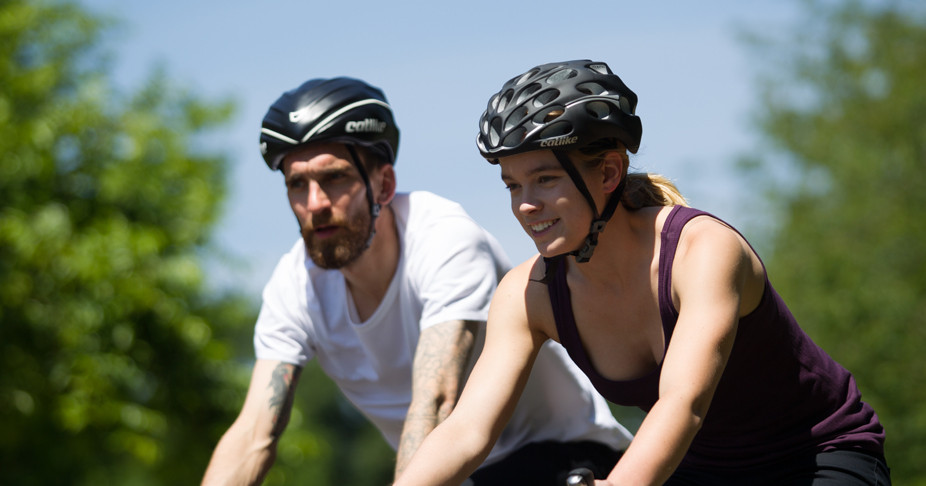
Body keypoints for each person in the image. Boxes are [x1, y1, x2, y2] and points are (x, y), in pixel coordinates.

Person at [394, 60, 890, 485]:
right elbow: (466, 432)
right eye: (511, 185)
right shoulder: (530, 294)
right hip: (700, 470)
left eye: (544, 179)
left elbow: (682, 404)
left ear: (608, 173)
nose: (525, 205)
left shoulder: (703, 252)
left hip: (817, 457)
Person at [200, 76, 633, 485]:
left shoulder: (443, 240)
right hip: (454, 474)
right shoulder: (294, 283)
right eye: (297, 185)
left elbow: (435, 404)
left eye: (334, 179)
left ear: (384, 184)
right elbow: (253, 435)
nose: (314, 204)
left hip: (565, 459)